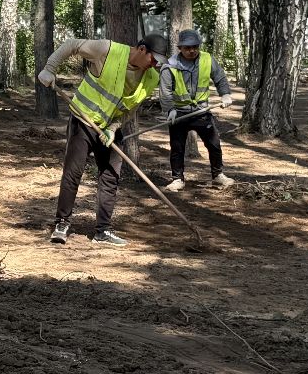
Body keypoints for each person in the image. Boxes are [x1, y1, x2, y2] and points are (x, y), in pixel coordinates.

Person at [38, 33, 169, 247]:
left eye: (158, 62)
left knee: (110, 177)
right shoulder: (108, 50)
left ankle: (103, 231)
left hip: (110, 129)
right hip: (84, 119)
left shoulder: (151, 77)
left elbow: (131, 110)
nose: (155, 65)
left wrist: (114, 128)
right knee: (73, 173)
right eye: (153, 59)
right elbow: (72, 45)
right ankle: (62, 223)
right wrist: (50, 69)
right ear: (142, 49)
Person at [159, 29, 234, 191]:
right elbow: (165, 90)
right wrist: (169, 109)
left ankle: (218, 175)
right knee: (177, 147)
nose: (192, 50)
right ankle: (177, 179)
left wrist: (225, 94)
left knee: (214, 144)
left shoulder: (207, 59)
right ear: (180, 48)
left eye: (195, 47)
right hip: (178, 113)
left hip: (202, 111)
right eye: (187, 48)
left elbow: (219, 77)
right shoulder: (169, 65)